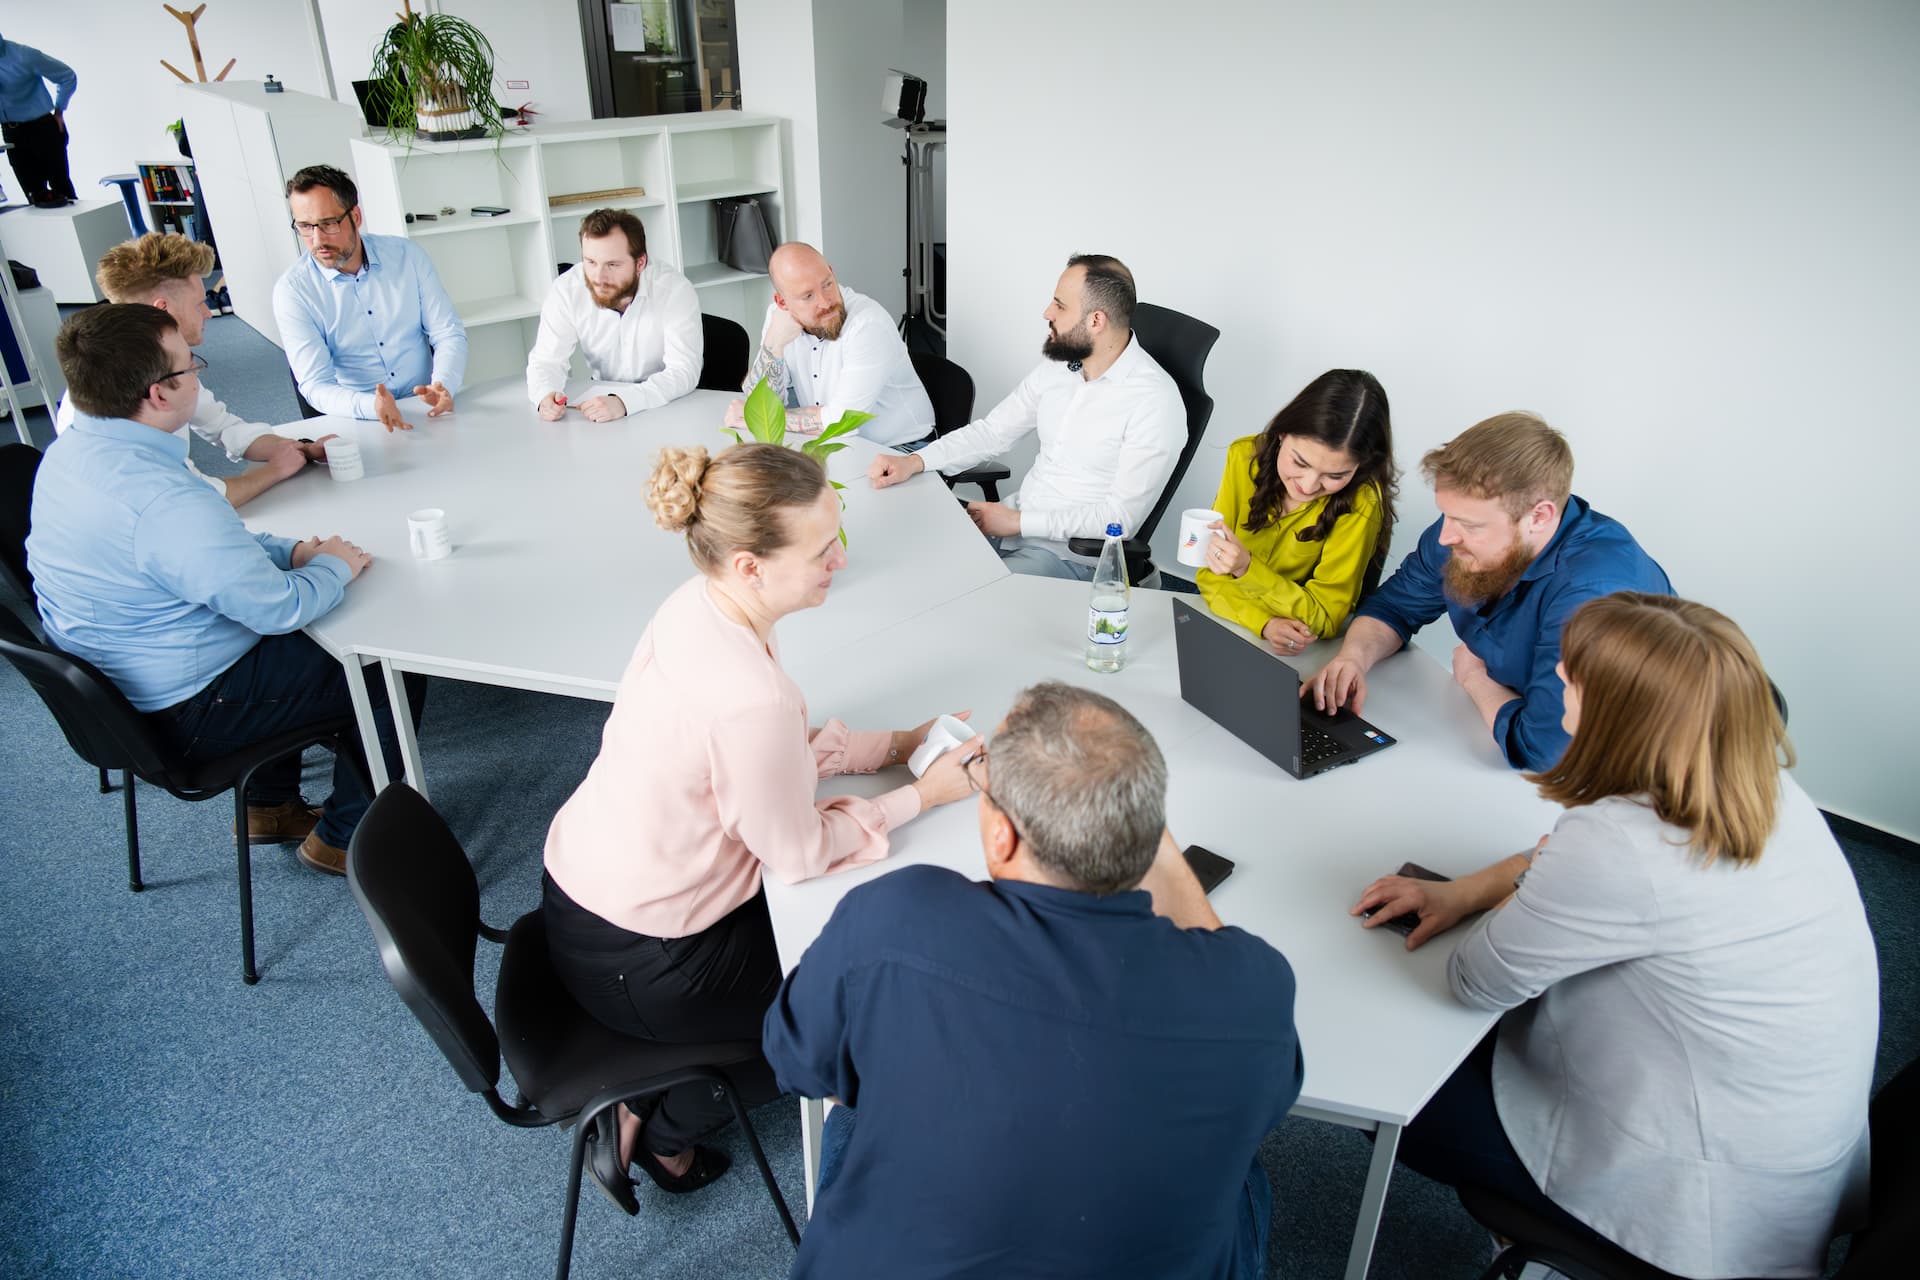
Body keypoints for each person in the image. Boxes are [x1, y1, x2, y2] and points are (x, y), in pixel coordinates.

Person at [1352, 593, 1877, 1278]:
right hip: (1788, 1172)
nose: (1554, 685)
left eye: (1567, 678)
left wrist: (1517, 890)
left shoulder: (1623, 844)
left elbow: (1476, 980)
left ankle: (1547, 1236)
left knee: (1387, 1076)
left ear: (1617, 718)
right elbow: (1575, 859)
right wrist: (1475, 888)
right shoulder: (1763, 792)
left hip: (1690, 1204)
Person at [541, 441, 978, 1211]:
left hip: (583, 892)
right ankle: (658, 1119)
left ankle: (656, 1089)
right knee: (847, 1010)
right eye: (821, 549)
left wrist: (901, 745)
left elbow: (762, 770)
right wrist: (926, 795)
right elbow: (801, 850)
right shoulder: (749, 695)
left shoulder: (698, 602)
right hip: (648, 962)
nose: (840, 559)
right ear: (750, 564)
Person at [764, 681, 1302, 1279]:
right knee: (1237, 1160)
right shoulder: (1256, 986)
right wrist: (1143, 831)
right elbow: (1265, 1104)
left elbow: (795, 1062)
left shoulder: (896, 918)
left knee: (866, 1097)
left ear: (1002, 835)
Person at [25, 304, 423, 874]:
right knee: (384, 659)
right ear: (159, 394)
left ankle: (269, 804)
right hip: (184, 710)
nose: (198, 375)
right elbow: (279, 608)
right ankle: (347, 835)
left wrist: (292, 552)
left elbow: (204, 544)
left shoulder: (72, 455)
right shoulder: (163, 495)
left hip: (115, 686)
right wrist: (333, 564)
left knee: (306, 633)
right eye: (191, 367)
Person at [1306, 412, 1669, 769]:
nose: (1446, 536)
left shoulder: (1593, 595)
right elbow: (1395, 607)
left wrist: (1475, 679)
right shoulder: (1463, 530)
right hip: (1496, 736)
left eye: (1468, 524)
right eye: (1446, 515)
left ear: (1539, 517)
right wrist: (1353, 658)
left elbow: (1545, 748)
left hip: (1619, 773)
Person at [868, 254, 1184, 582]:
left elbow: (1119, 518)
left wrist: (1018, 522)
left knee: (954, 592)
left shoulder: (1154, 401)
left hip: (1072, 558)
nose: (1047, 313)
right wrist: (916, 461)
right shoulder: (1061, 369)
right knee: (907, 562)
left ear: (1096, 321)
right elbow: (992, 432)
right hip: (1011, 530)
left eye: (1060, 306)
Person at [53, 233, 328, 507]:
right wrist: (276, 470)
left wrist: (297, 449)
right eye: (199, 303)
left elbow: (222, 427)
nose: (209, 313)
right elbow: (197, 497)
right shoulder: (120, 397)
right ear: (163, 310)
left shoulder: (158, 363)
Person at [1196, 369, 1396, 654]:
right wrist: (1264, 622)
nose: (1309, 485)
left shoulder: (1362, 503)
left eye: (1336, 475)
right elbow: (1209, 576)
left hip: (1303, 649)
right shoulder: (1243, 458)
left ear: (1360, 467)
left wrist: (1244, 569)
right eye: (1300, 462)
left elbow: (1326, 617)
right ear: (1282, 433)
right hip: (1233, 624)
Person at [271, 164, 467, 432]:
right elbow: (315, 384)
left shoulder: (406, 256)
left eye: (328, 224)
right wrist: (370, 406)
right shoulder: (293, 291)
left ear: (356, 216)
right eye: (305, 226)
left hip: (427, 406)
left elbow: (448, 332)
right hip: (357, 418)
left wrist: (443, 385)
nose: (317, 240)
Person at [727, 242, 933, 447]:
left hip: (902, 449)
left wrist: (757, 418)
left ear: (832, 273)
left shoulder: (868, 325)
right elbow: (759, 402)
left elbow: (840, 423)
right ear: (783, 302)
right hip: (834, 444)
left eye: (827, 284)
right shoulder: (779, 318)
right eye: (808, 296)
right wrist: (774, 342)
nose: (826, 302)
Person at [526, 207, 702, 421]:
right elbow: (546, 361)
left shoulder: (674, 289)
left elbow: (684, 370)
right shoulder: (566, 290)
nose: (599, 277)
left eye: (612, 264)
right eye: (590, 262)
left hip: (666, 404)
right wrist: (545, 395)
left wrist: (623, 401)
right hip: (602, 409)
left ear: (640, 263)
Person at [0, 32, 76, 205]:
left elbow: (67, 76)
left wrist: (59, 111)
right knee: (34, 198)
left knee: (63, 191)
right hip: (11, 134)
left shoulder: (24, 55)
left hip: (41, 128)